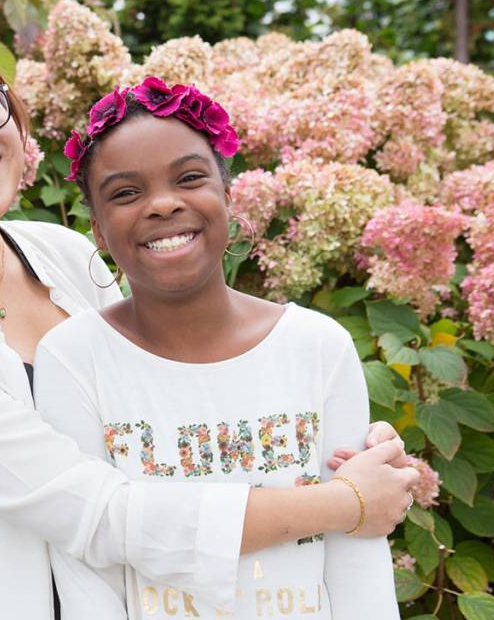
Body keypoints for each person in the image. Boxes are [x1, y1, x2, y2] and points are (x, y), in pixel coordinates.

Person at [0, 24, 420, 620]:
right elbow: (99, 514)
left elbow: (169, 401)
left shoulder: (61, 252)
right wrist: (344, 504)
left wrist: (329, 444)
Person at [33, 78, 403, 620]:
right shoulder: (73, 358)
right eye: (126, 193)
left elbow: (358, 545)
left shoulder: (318, 346)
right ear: (98, 231)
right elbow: (87, 569)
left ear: (227, 198)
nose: (163, 204)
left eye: (189, 178)